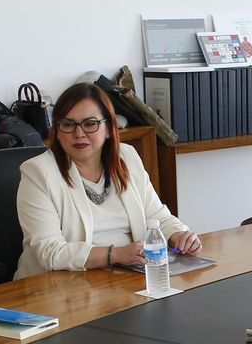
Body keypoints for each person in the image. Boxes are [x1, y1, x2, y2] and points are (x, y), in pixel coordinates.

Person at [16, 82, 198, 278]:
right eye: (68, 124)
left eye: (90, 123)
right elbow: (50, 252)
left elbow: (157, 216)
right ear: (57, 131)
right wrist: (115, 254)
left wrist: (178, 235)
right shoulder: (38, 172)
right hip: (61, 286)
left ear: (110, 128)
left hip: (127, 278)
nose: (79, 133)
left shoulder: (127, 158)